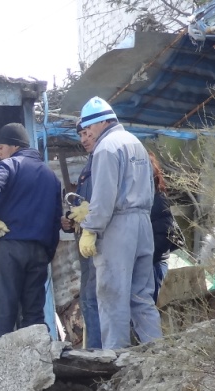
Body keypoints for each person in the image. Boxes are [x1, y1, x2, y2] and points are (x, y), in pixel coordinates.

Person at [71, 97, 161, 349]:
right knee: (141, 297)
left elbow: (103, 198)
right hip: (143, 224)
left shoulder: (106, 148)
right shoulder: (135, 143)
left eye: (88, 129)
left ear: (101, 122)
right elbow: (151, 191)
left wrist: (90, 229)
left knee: (112, 296)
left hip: (117, 226)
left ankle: (117, 361)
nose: (87, 135)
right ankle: (159, 355)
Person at [0, 122, 62, 343]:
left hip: (11, 248)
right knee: (33, 314)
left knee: (2, 310)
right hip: (40, 252)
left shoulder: (11, 165)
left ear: (14, 146)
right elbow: (56, 217)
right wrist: (48, 251)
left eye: (0, 147)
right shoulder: (51, 176)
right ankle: (36, 366)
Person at [61, 121, 101, 349]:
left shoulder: (104, 159)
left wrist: (88, 219)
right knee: (88, 299)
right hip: (86, 241)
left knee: (94, 299)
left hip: (98, 241)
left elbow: (102, 203)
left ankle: (100, 351)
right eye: (81, 135)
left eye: (87, 133)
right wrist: (71, 220)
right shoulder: (91, 163)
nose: (84, 139)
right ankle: (95, 349)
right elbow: (86, 204)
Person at [149, 152, 178, 302]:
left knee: (145, 310)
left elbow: (163, 237)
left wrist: (142, 258)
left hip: (153, 263)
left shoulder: (157, 199)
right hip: (147, 262)